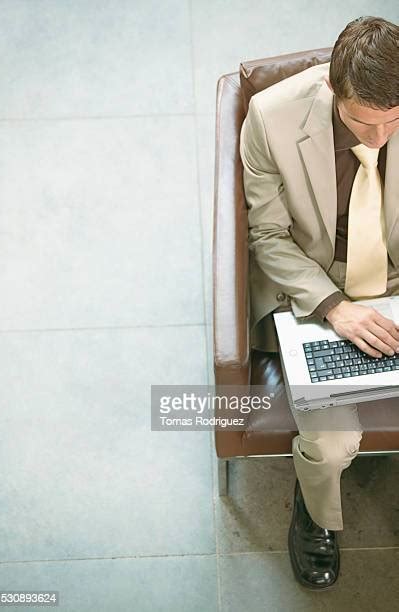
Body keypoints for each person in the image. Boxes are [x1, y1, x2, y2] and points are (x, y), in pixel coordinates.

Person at [239, 16, 399, 590]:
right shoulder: (271, 117)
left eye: (393, 123)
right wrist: (334, 305)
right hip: (313, 285)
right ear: (333, 90)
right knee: (328, 444)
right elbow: (269, 239)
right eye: (363, 121)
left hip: (394, 278)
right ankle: (317, 509)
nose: (377, 139)